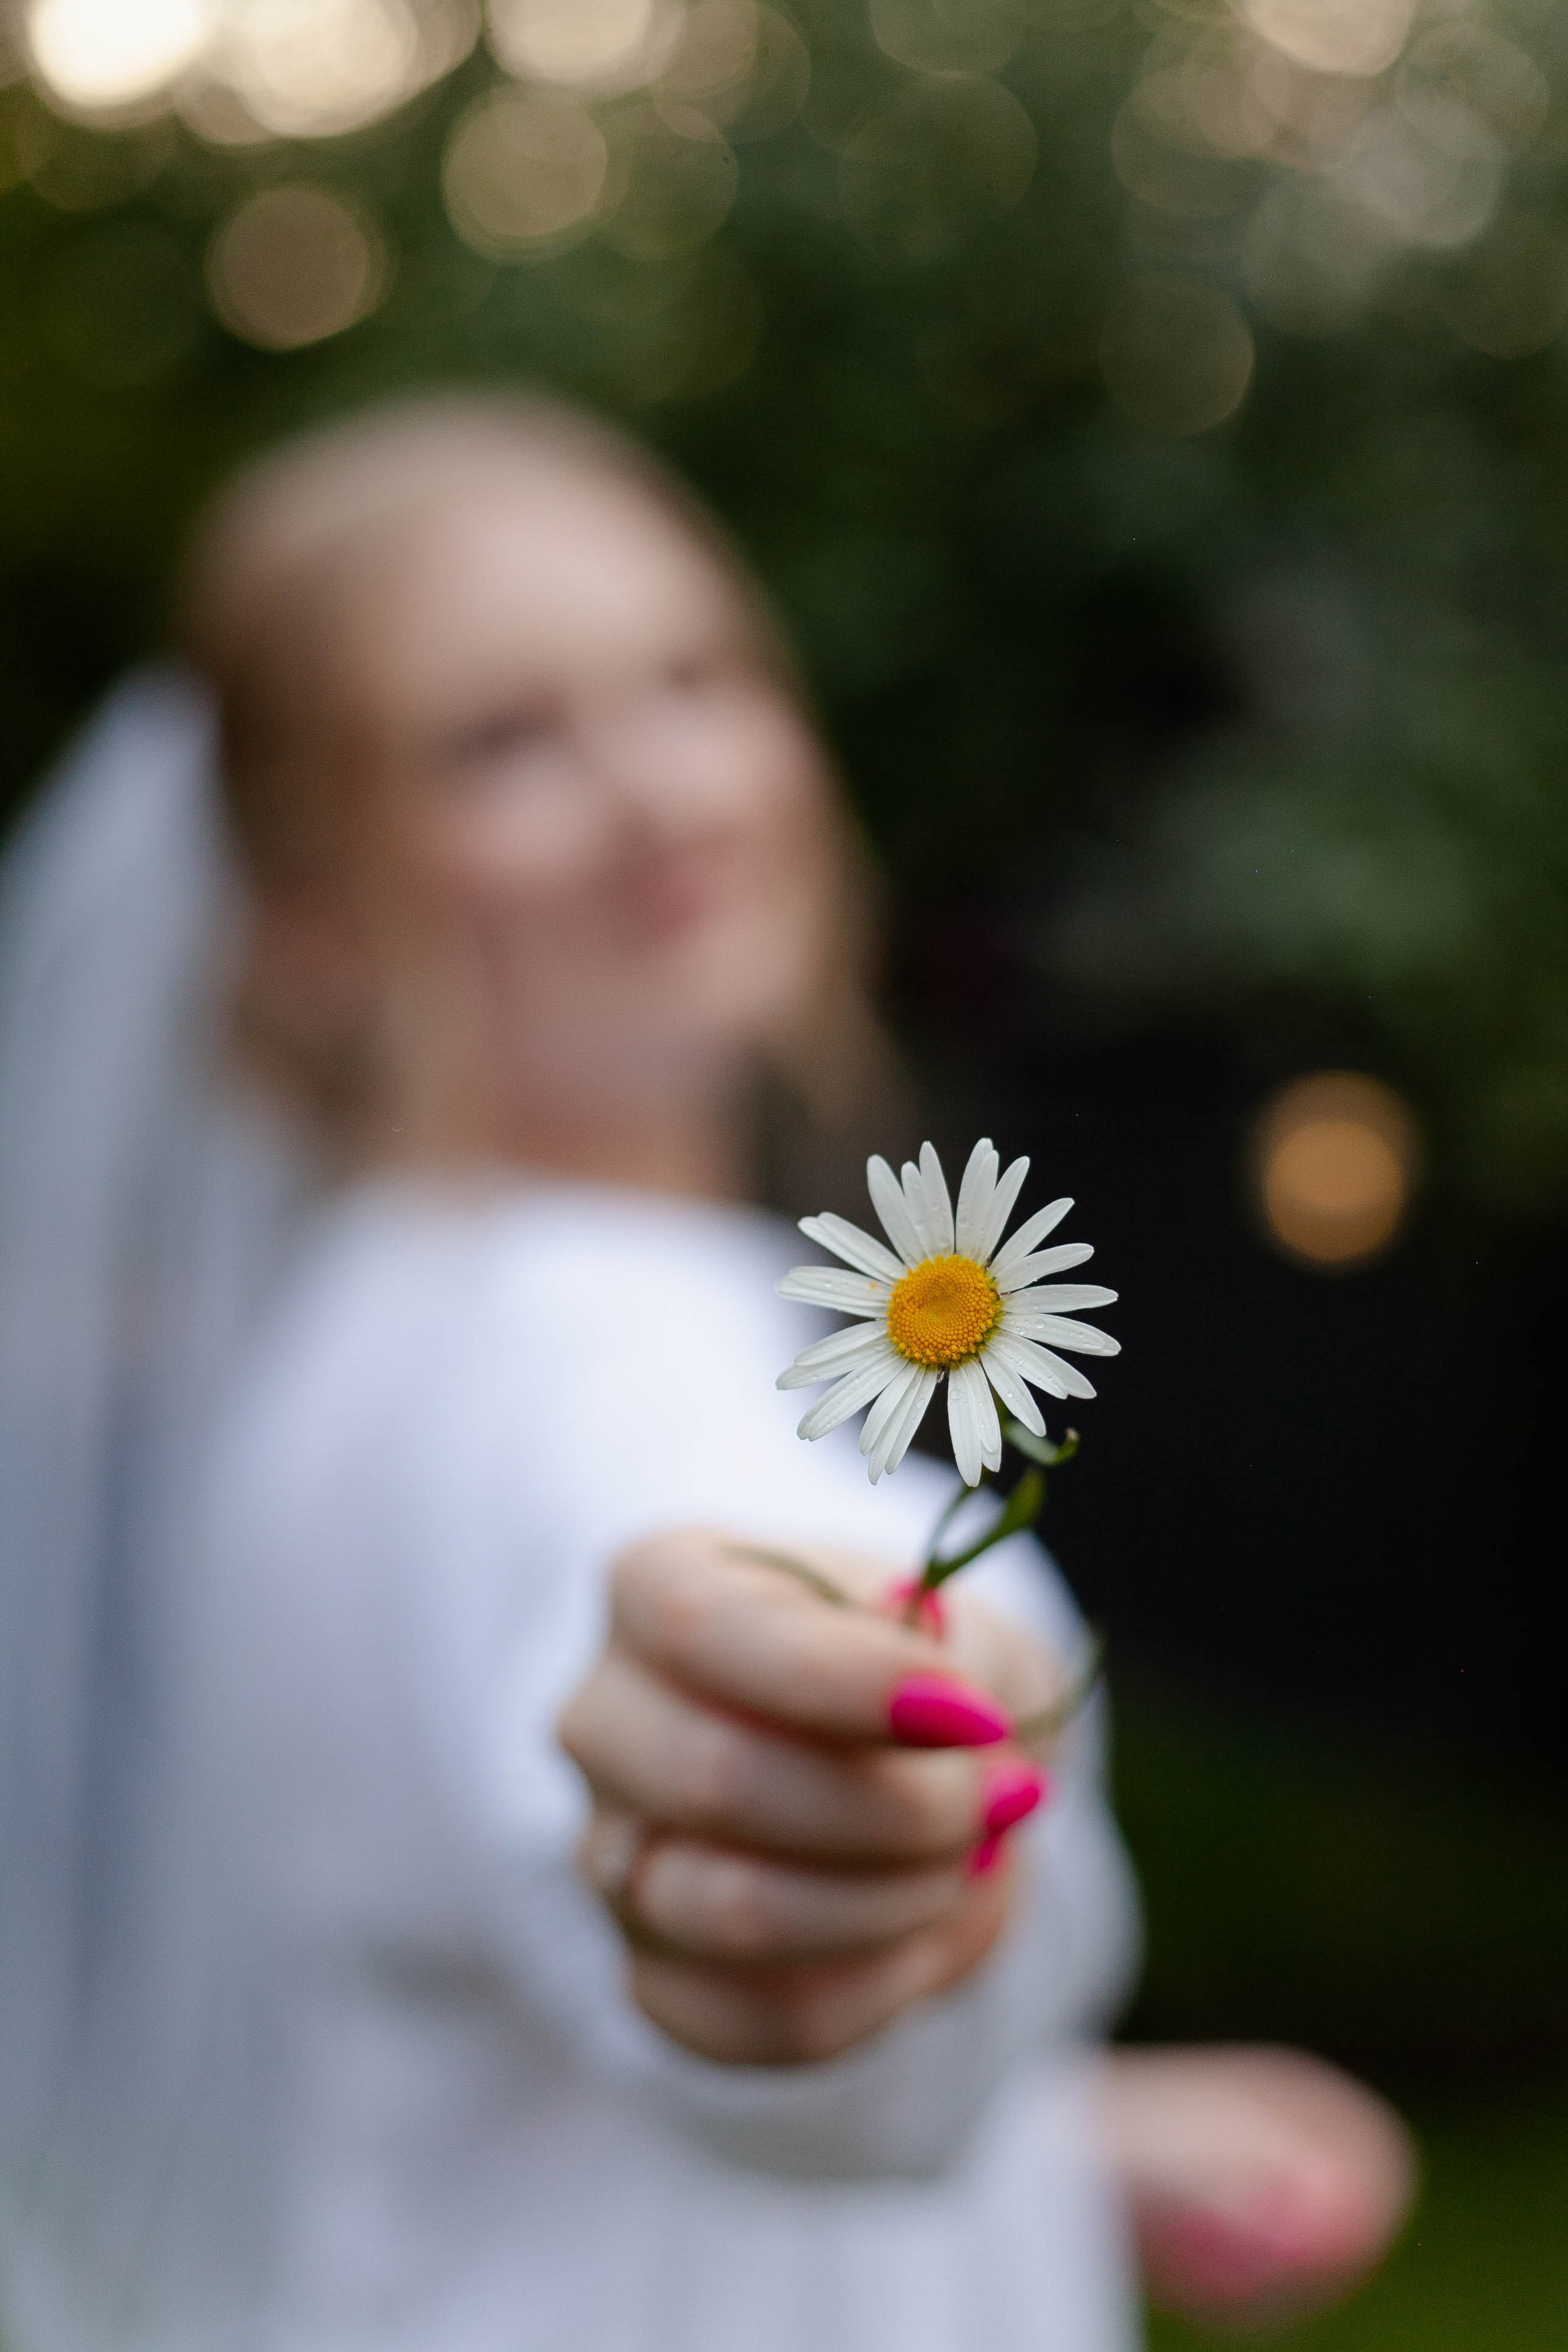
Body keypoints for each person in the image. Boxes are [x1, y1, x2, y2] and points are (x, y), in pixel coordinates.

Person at [0, 396, 1408, 2352]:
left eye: (693, 673)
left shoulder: (361, 1336)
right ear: (312, 925)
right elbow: (691, 1845)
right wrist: (842, 1903)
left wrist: (1070, 2130)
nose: (660, 786)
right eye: (500, 740)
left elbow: (504, 2024)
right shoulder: (605, 1363)